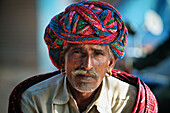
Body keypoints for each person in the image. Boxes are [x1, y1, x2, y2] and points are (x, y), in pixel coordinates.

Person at [8, 1, 158, 113]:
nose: (87, 65)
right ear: (62, 61)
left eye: (97, 53)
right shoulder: (33, 99)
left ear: (110, 64)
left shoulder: (132, 102)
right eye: (77, 52)